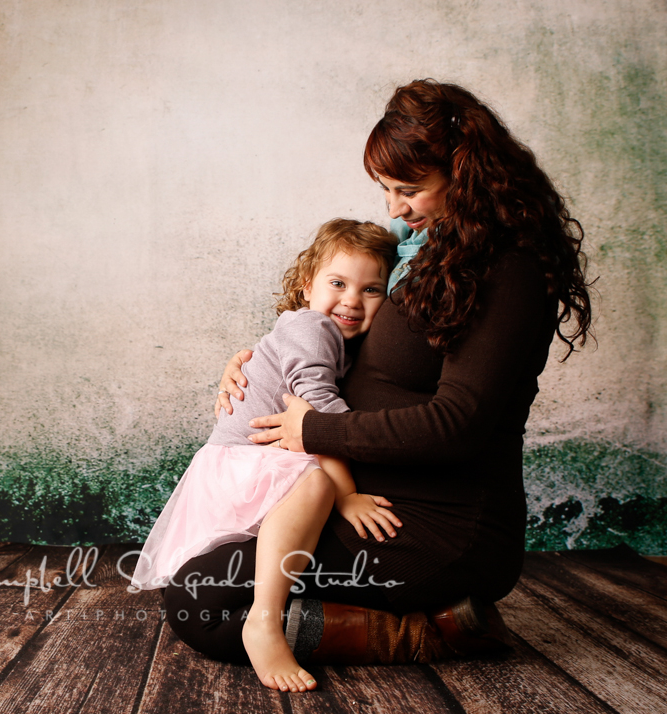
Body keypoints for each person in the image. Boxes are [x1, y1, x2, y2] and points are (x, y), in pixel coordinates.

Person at [163, 79, 593, 680]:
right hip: (366, 503)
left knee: (199, 599)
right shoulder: (422, 252)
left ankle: (426, 632)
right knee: (199, 569)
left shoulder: (509, 271)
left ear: (467, 175)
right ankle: (429, 619)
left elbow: (459, 424)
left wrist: (313, 429)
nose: (394, 209)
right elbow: (351, 336)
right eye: (386, 190)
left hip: (436, 529)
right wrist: (258, 361)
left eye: (409, 190)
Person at [131, 219, 402, 692]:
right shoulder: (313, 325)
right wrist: (349, 497)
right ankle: (263, 619)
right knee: (317, 484)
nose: (352, 300)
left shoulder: (325, 335)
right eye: (337, 283)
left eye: (372, 289)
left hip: (250, 461)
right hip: (247, 462)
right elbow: (320, 416)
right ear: (306, 287)